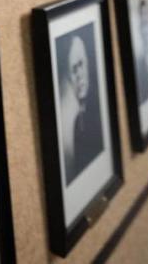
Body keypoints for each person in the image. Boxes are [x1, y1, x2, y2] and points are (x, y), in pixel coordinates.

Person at [61, 35, 103, 184]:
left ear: (88, 63)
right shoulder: (73, 119)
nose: (79, 74)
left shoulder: (100, 111)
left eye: (81, 64)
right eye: (73, 68)